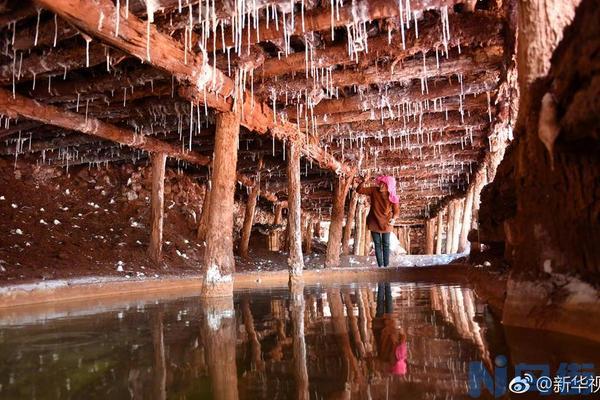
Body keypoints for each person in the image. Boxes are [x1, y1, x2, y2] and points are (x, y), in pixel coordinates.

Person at [356, 174, 400, 268]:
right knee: (377, 244)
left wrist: (394, 219)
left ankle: (386, 266)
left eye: (384, 184)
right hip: (374, 221)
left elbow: (396, 212)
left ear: (389, 186)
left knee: (386, 244)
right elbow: (359, 190)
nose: (381, 185)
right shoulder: (374, 190)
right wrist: (363, 181)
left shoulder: (392, 196)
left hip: (387, 223)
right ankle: (380, 266)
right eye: (380, 183)